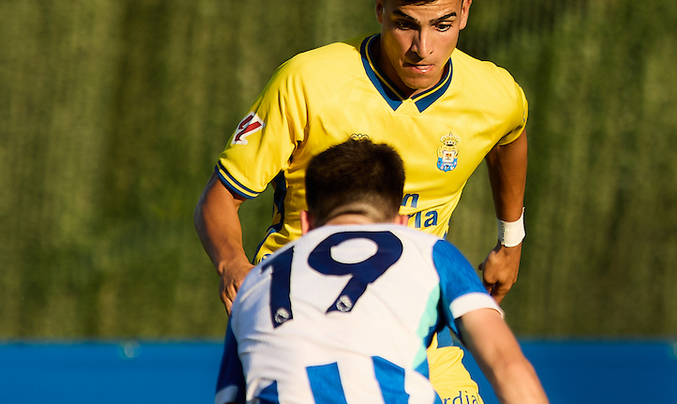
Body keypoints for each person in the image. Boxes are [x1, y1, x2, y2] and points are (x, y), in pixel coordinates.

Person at [196, 0, 528, 403]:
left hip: (415, 325)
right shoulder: (308, 82)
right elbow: (219, 197)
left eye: (442, 24)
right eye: (404, 23)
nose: (423, 48)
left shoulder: (494, 94)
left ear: (465, 11)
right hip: (302, 326)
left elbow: (511, 135)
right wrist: (232, 264)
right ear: (379, 7)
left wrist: (510, 240)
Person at [214, 139, 547, 404]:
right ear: (401, 225)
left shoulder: (255, 283)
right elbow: (507, 366)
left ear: (306, 224)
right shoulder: (428, 251)